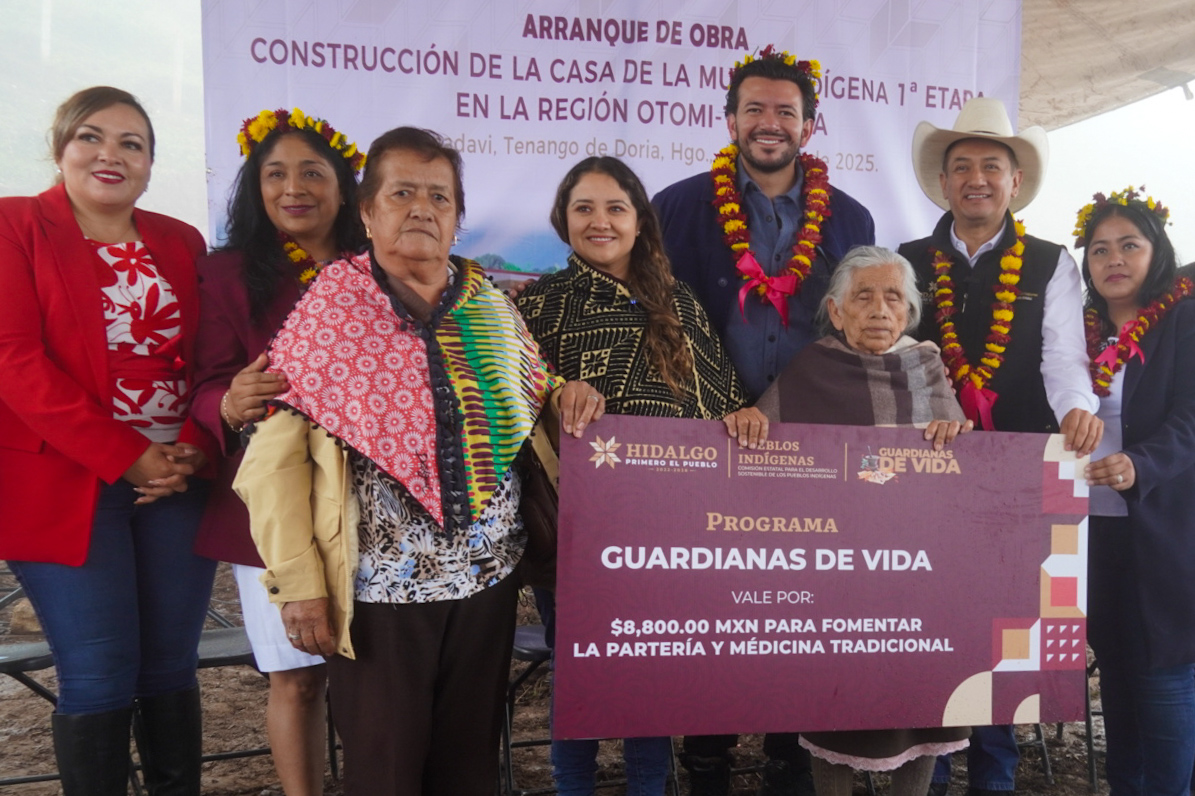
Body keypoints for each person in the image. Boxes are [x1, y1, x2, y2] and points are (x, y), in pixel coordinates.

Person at [233, 126, 606, 796]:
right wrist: (300, 583)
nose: (421, 209)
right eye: (401, 193)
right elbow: (274, 467)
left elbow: (531, 399)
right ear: (367, 212)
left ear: (458, 217)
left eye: (439, 196)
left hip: (487, 582)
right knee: (386, 771)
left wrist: (567, 395)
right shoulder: (328, 311)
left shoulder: (491, 307)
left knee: (468, 769)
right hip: (378, 594)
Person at [651, 44, 875, 796]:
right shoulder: (677, 207)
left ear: (809, 127)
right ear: (729, 120)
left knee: (800, 604)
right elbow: (659, 323)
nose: (769, 122)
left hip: (814, 449)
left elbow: (863, 330)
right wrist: (712, 408)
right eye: (754, 109)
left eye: (785, 111)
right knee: (715, 604)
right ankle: (707, 762)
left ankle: (789, 755)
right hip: (709, 440)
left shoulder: (851, 217)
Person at [516, 156, 768, 796]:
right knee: (578, 667)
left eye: (615, 208)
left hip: (667, 528)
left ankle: (649, 787)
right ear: (563, 219)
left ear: (639, 221)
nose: (599, 221)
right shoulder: (539, 304)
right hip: (575, 526)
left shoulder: (678, 301)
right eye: (584, 208)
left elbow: (719, 401)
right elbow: (509, 395)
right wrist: (557, 390)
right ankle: (573, 787)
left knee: (646, 663)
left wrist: (741, 416)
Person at [0, 86, 214, 795]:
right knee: (98, 672)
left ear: (150, 163)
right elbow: (14, 361)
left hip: (176, 481)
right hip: (64, 482)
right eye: (90, 136)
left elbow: (210, 356)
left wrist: (191, 446)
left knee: (170, 669)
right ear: (60, 148)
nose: (110, 154)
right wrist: (127, 457)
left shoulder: (181, 241)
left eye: (132, 143)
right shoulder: (14, 225)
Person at [896, 96, 1102, 795]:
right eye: (962, 167)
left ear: (1015, 182)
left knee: (1004, 626)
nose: (976, 178)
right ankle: (928, 773)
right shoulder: (906, 260)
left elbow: (1062, 357)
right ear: (943, 181)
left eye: (991, 166)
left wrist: (1077, 410)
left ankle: (994, 777)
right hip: (925, 472)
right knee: (929, 617)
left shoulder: (1049, 263)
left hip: (1017, 474)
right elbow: (889, 356)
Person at [189, 108, 367, 795]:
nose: (293, 188)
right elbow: (204, 386)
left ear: (344, 188)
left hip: (373, 499)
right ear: (255, 188)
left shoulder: (378, 266)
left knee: (374, 673)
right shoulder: (226, 274)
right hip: (274, 506)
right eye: (275, 174)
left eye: (312, 173)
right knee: (296, 677)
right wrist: (228, 400)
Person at [755, 245, 972, 796]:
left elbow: (958, 476)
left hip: (916, 570)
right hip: (835, 571)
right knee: (833, 700)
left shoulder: (926, 367)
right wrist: (747, 424)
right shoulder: (811, 368)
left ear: (909, 312)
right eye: (863, 296)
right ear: (836, 310)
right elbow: (763, 450)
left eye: (893, 297)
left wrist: (956, 436)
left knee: (919, 698)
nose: (879, 309)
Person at [1075, 187, 1195, 796]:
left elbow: (1191, 418)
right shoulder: (1075, 330)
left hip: (1163, 528)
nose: (1114, 259)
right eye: (1099, 250)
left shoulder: (1183, 319)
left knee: (1162, 674)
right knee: (1116, 675)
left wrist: (1138, 465)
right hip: (1088, 530)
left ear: (1157, 253)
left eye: (1129, 245)